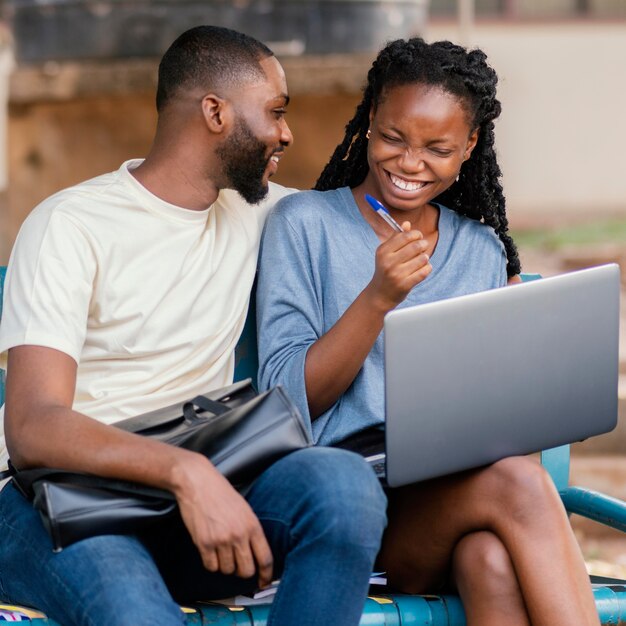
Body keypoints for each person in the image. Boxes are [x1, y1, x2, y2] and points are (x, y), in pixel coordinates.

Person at [0, 26, 388, 626]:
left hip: (197, 495)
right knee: (139, 616)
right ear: (215, 112)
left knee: (342, 488)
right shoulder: (71, 225)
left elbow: (376, 215)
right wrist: (186, 472)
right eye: (276, 112)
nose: (287, 133)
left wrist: (500, 266)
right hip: (59, 499)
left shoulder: (263, 212)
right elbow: (32, 426)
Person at [256, 37, 600, 626]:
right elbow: (285, 400)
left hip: (452, 501)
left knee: (490, 560)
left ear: (468, 146)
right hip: (350, 514)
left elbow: (497, 421)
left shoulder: (480, 249)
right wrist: (378, 297)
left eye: (437, 148)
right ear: (369, 123)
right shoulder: (305, 225)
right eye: (393, 138)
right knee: (519, 484)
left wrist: (536, 383)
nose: (410, 164)